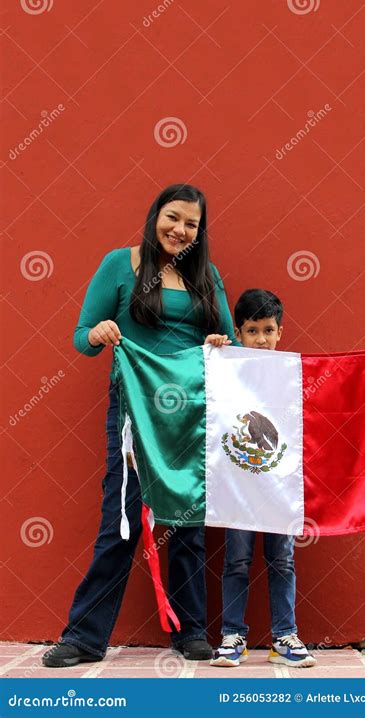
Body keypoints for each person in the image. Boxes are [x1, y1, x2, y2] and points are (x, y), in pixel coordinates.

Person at [43, 183, 239, 668]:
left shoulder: (206, 275)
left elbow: (232, 343)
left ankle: (191, 631)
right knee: (122, 519)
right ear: (156, 215)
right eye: (173, 217)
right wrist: (99, 332)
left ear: (200, 231)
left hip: (192, 412)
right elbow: (81, 339)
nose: (180, 229)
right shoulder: (118, 264)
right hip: (133, 409)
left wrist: (218, 340)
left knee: (188, 521)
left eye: (191, 223)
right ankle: (85, 637)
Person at [210, 289, 365, 668]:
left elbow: (338, 384)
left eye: (269, 330)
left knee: (282, 560)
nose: (261, 339)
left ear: (281, 332)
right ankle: (232, 636)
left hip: (281, 487)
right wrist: (213, 347)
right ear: (238, 332)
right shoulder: (226, 366)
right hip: (239, 485)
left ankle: (284, 636)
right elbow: (198, 375)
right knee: (236, 559)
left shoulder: (290, 372)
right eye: (252, 331)